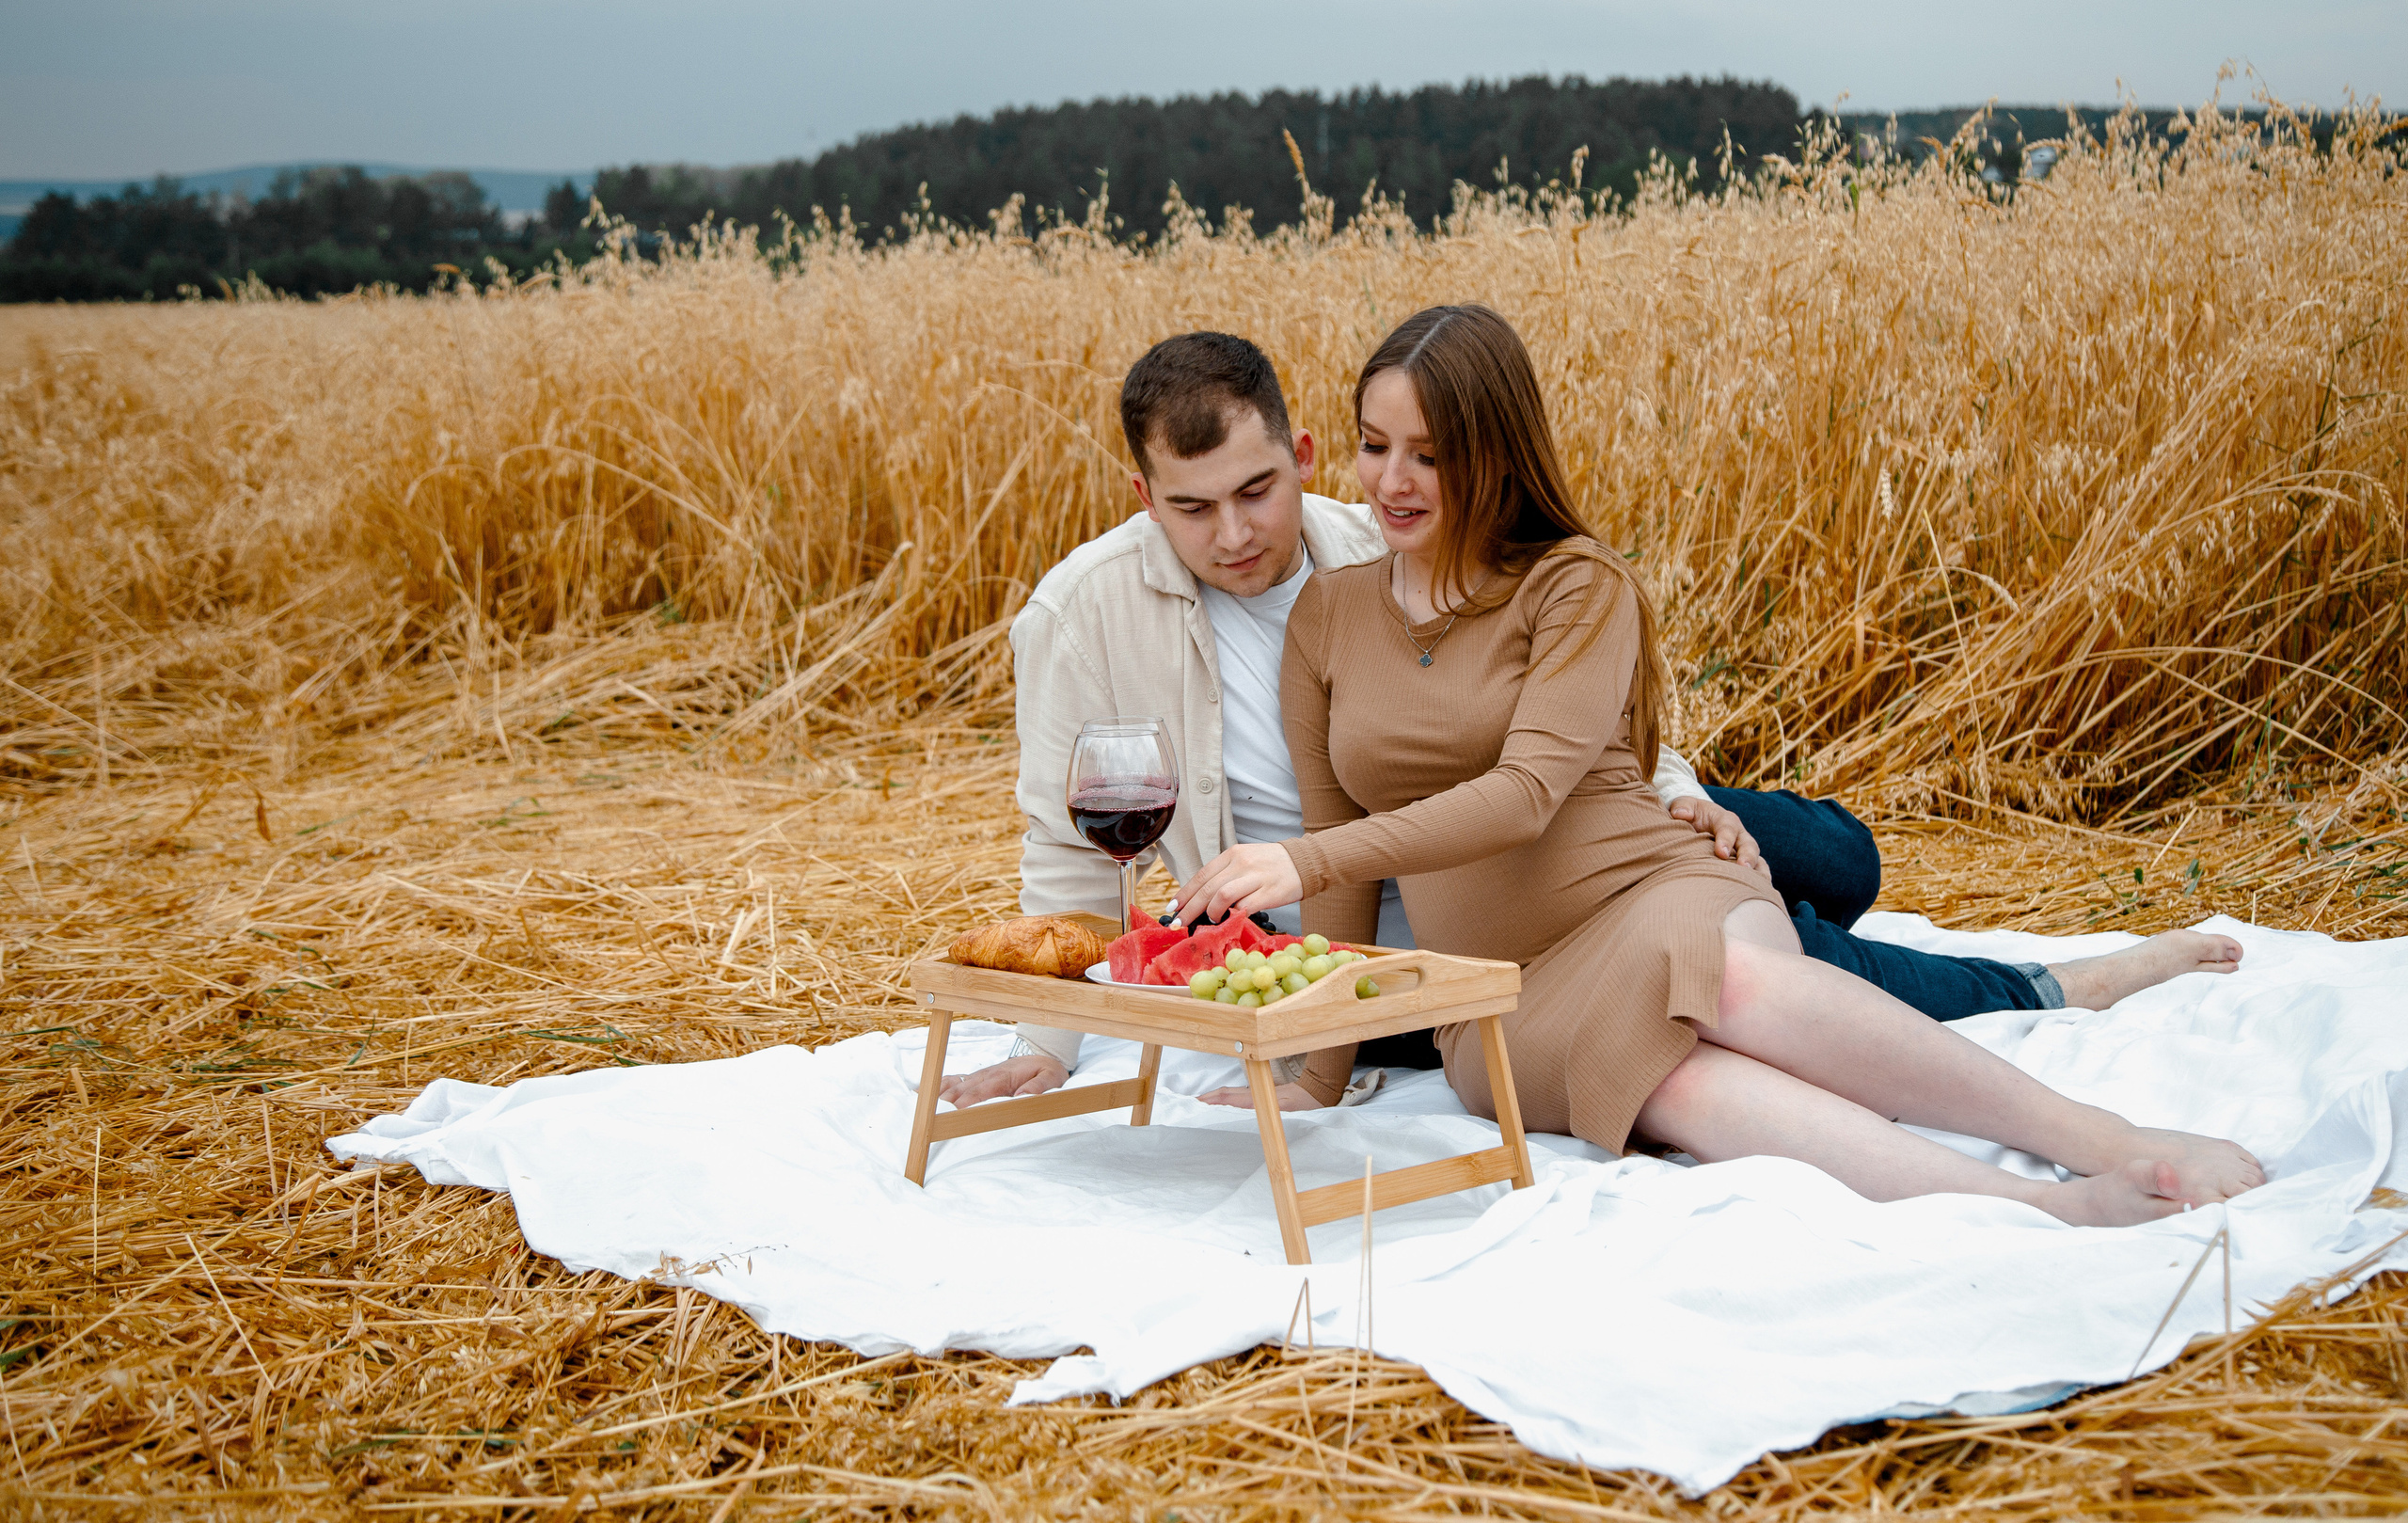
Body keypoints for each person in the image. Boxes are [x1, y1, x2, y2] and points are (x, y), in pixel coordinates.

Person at [938, 331, 2240, 1108]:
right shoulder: (1079, 616)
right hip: (1412, 913)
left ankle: (1753, 868)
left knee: (1835, 858)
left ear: (1306, 457)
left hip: (1551, 817)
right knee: (1757, 971)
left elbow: (1560, 686)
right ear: (1142, 495)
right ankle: (2042, 985)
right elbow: (1069, 848)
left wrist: (1676, 797)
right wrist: (1048, 1039)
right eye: (1191, 507)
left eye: (1257, 490)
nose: (1233, 533)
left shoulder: (1382, 534)